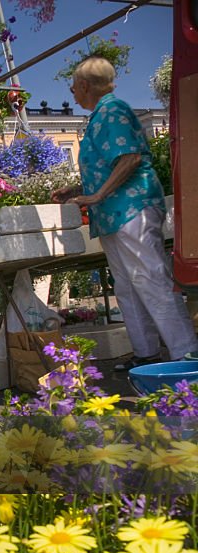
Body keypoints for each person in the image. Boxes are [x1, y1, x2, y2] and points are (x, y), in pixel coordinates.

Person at [52, 56, 198, 369]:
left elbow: (129, 157)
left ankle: (186, 355)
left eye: (74, 87)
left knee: (150, 278)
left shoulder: (113, 110)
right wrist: (79, 190)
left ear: (84, 85)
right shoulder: (101, 115)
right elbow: (110, 164)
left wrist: (97, 195)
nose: (73, 94)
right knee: (127, 285)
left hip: (131, 207)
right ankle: (146, 353)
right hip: (114, 213)